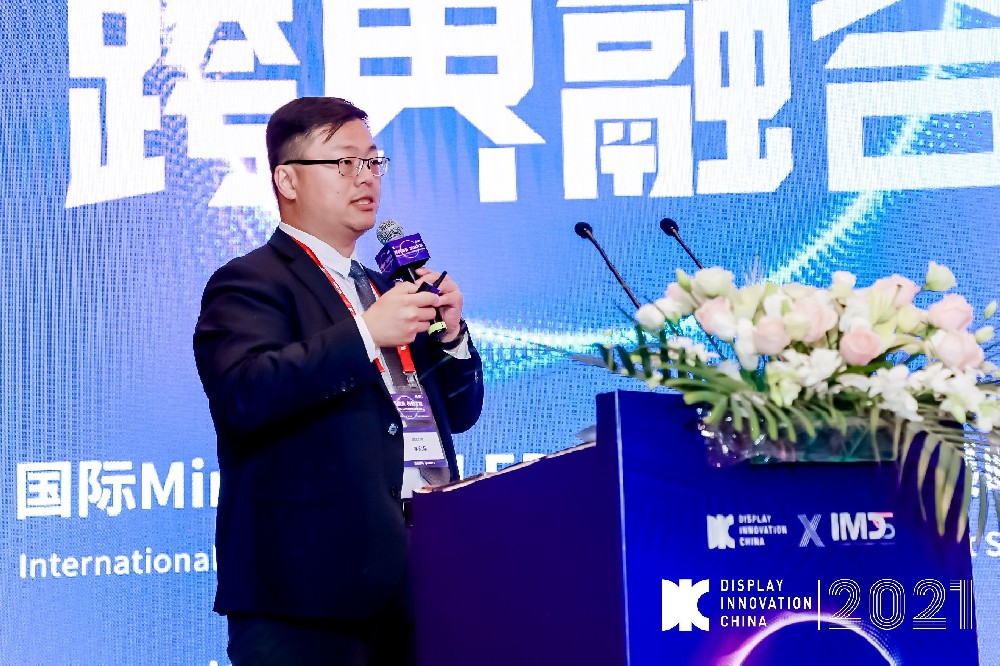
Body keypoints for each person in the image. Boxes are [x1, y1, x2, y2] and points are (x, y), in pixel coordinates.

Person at [193, 96, 484, 664]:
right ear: (287, 180)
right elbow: (243, 395)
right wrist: (365, 334)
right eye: (344, 162)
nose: (366, 177)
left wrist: (452, 337)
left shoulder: (385, 287)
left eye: (373, 162)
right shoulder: (250, 282)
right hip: (308, 595)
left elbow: (459, 414)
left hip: (422, 578)